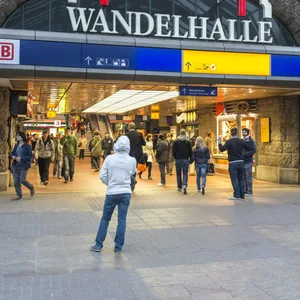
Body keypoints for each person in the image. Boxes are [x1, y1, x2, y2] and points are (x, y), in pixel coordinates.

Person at [90, 136, 136, 254]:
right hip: (126, 192)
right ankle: (118, 247)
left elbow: (102, 176)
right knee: (122, 220)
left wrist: (110, 183)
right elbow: (132, 173)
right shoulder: (132, 160)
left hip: (111, 192)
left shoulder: (109, 158)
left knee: (105, 218)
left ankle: (98, 244)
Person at [218, 128, 254, 200]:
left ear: (231, 133)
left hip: (233, 163)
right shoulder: (241, 141)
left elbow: (222, 149)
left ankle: (236, 195)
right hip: (241, 162)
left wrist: (219, 143)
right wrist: (244, 154)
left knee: (234, 179)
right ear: (237, 133)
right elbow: (251, 148)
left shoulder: (229, 142)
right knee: (241, 179)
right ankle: (242, 195)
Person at [11, 132, 35, 201]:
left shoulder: (27, 146)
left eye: (18, 136)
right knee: (16, 181)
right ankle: (19, 195)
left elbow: (30, 156)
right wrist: (12, 156)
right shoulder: (16, 145)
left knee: (22, 180)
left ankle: (31, 187)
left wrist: (21, 158)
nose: (16, 137)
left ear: (22, 137)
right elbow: (11, 153)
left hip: (24, 166)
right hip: (15, 165)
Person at [125, 123, 146, 191]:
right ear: (135, 127)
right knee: (134, 168)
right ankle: (133, 181)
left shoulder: (126, 135)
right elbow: (144, 143)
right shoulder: (139, 134)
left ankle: (132, 181)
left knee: (128, 169)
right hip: (138, 154)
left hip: (129, 154)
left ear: (129, 127)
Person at [173, 129, 192, 195]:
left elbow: (173, 151)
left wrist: (175, 157)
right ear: (185, 133)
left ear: (179, 133)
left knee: (178, 173)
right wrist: (190, 158)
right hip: (185, 159)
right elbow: (190, 151)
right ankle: (184, 185)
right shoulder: (188, 142)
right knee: (185, 173)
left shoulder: (176, 141)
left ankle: (179, 187)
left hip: (178, 160)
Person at [242, 128, 257, 197]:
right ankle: (245, 190)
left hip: (248, 161)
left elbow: (254, 150)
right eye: (243, 132)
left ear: (247, 133)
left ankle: (250, 191)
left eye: (244, 132)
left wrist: (246, 154)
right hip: (243, 161)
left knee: (248, 177)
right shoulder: (242, 140)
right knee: (244, 177)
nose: (243, 133)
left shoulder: (251, 141)